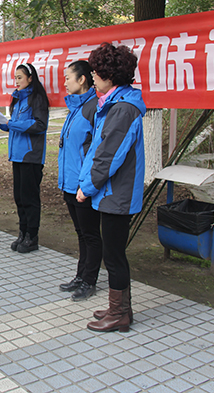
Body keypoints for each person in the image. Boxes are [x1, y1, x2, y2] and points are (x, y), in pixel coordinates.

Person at [77, 42, 146, 333]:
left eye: (96, 72)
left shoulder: (123, 109)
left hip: (117, 194)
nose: (93, 77)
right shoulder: (113, 104)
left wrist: (87, 187)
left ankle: (119, 315)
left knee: (114, 255)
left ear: (110, 75)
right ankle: (120, 308)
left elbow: (108, 156)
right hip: (112, 192)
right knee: (114, 253)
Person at [58, 60, 103, 302]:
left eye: (68, 77)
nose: (65, 82)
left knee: (90, 234)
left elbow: (96, 151)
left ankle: (89, 281)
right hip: (69, 182)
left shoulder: (94, 107)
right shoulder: (75, 108)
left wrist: (85, 183)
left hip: (83, 184)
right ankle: (81, 275)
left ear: (82, 79)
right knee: (81, 233)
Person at [0, 63, 49, 253]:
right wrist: (5, 124)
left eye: (20, 77)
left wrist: (13, 124)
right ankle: (23, 232)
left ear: (30, 78)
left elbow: (40, 125)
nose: (16, 81)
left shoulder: (37, 98)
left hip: (30, 155)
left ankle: (32, 237)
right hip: (17, 156)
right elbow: (17, 124)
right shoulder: (18, 99)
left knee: (30, 198)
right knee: (19, 197)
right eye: (15, 78)